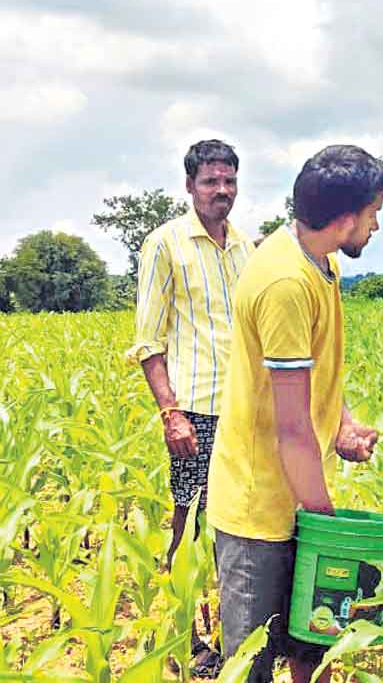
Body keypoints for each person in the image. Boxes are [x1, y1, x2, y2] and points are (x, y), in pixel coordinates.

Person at [207, 144, 383, 683]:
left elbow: (312, 383)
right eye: (373, 212)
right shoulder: (286, 283)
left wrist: (343, 424)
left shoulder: (322, 262)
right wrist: (324, 521)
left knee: (313, 647)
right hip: (260, 510)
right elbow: (290, 429)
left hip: (295, 498)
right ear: (342, 220)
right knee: (253, 666)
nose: (376, 224)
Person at [126, 138, 252, 677]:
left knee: (235, 523)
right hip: (194, 411)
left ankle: (232, 631)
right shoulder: (166, 244)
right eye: (210, 182)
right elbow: (149, 340)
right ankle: (182, 632)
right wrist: (170, 412)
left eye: (228, 181)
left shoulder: (246, 246)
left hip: (243, 409)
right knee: (187, 518)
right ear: (189, 186)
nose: (221, 191)